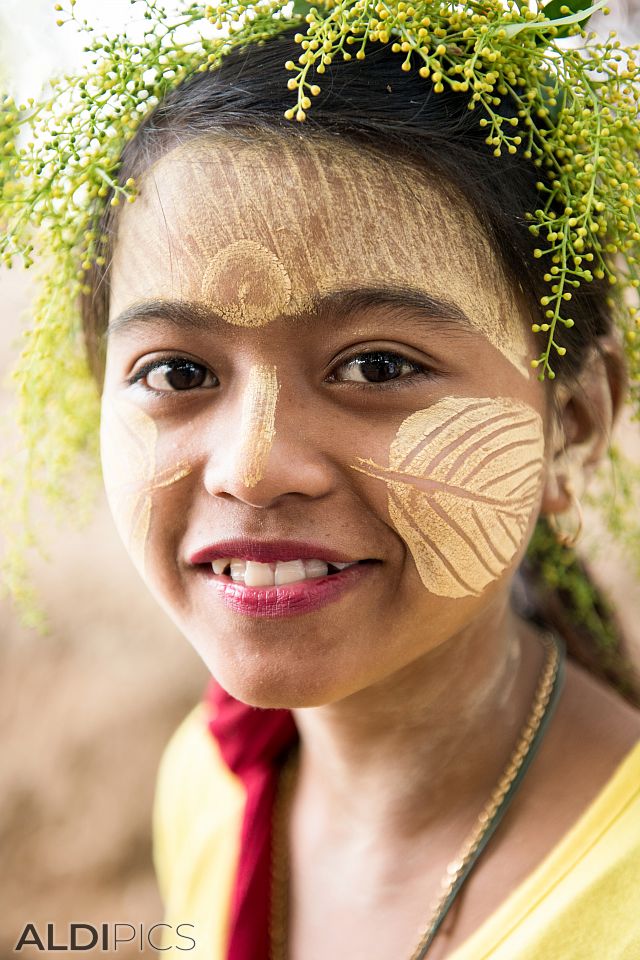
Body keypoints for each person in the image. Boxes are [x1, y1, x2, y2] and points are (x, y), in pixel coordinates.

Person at [4, 4, 640, 959]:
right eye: (178, 373)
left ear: (574, 424)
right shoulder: (210, 784)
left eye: (377, 367)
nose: (254, 466)